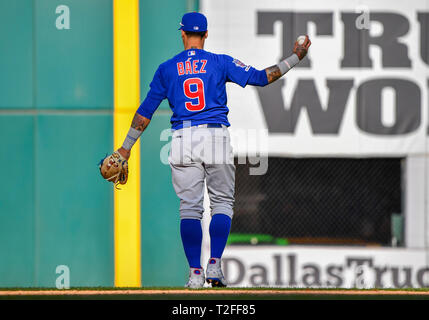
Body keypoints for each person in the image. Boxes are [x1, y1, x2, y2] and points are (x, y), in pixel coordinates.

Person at [115, 12, 311, 288]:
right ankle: (214, 266)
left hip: (182, 137)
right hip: (215, 135)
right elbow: (263, 77)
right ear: (206, 35)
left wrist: (125, 149)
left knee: (190, 209)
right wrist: (296, 57)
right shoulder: (220, 62)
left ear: (182, 34)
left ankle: (195, 272)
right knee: (221, 204)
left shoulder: (166, 69)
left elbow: (144, 113)